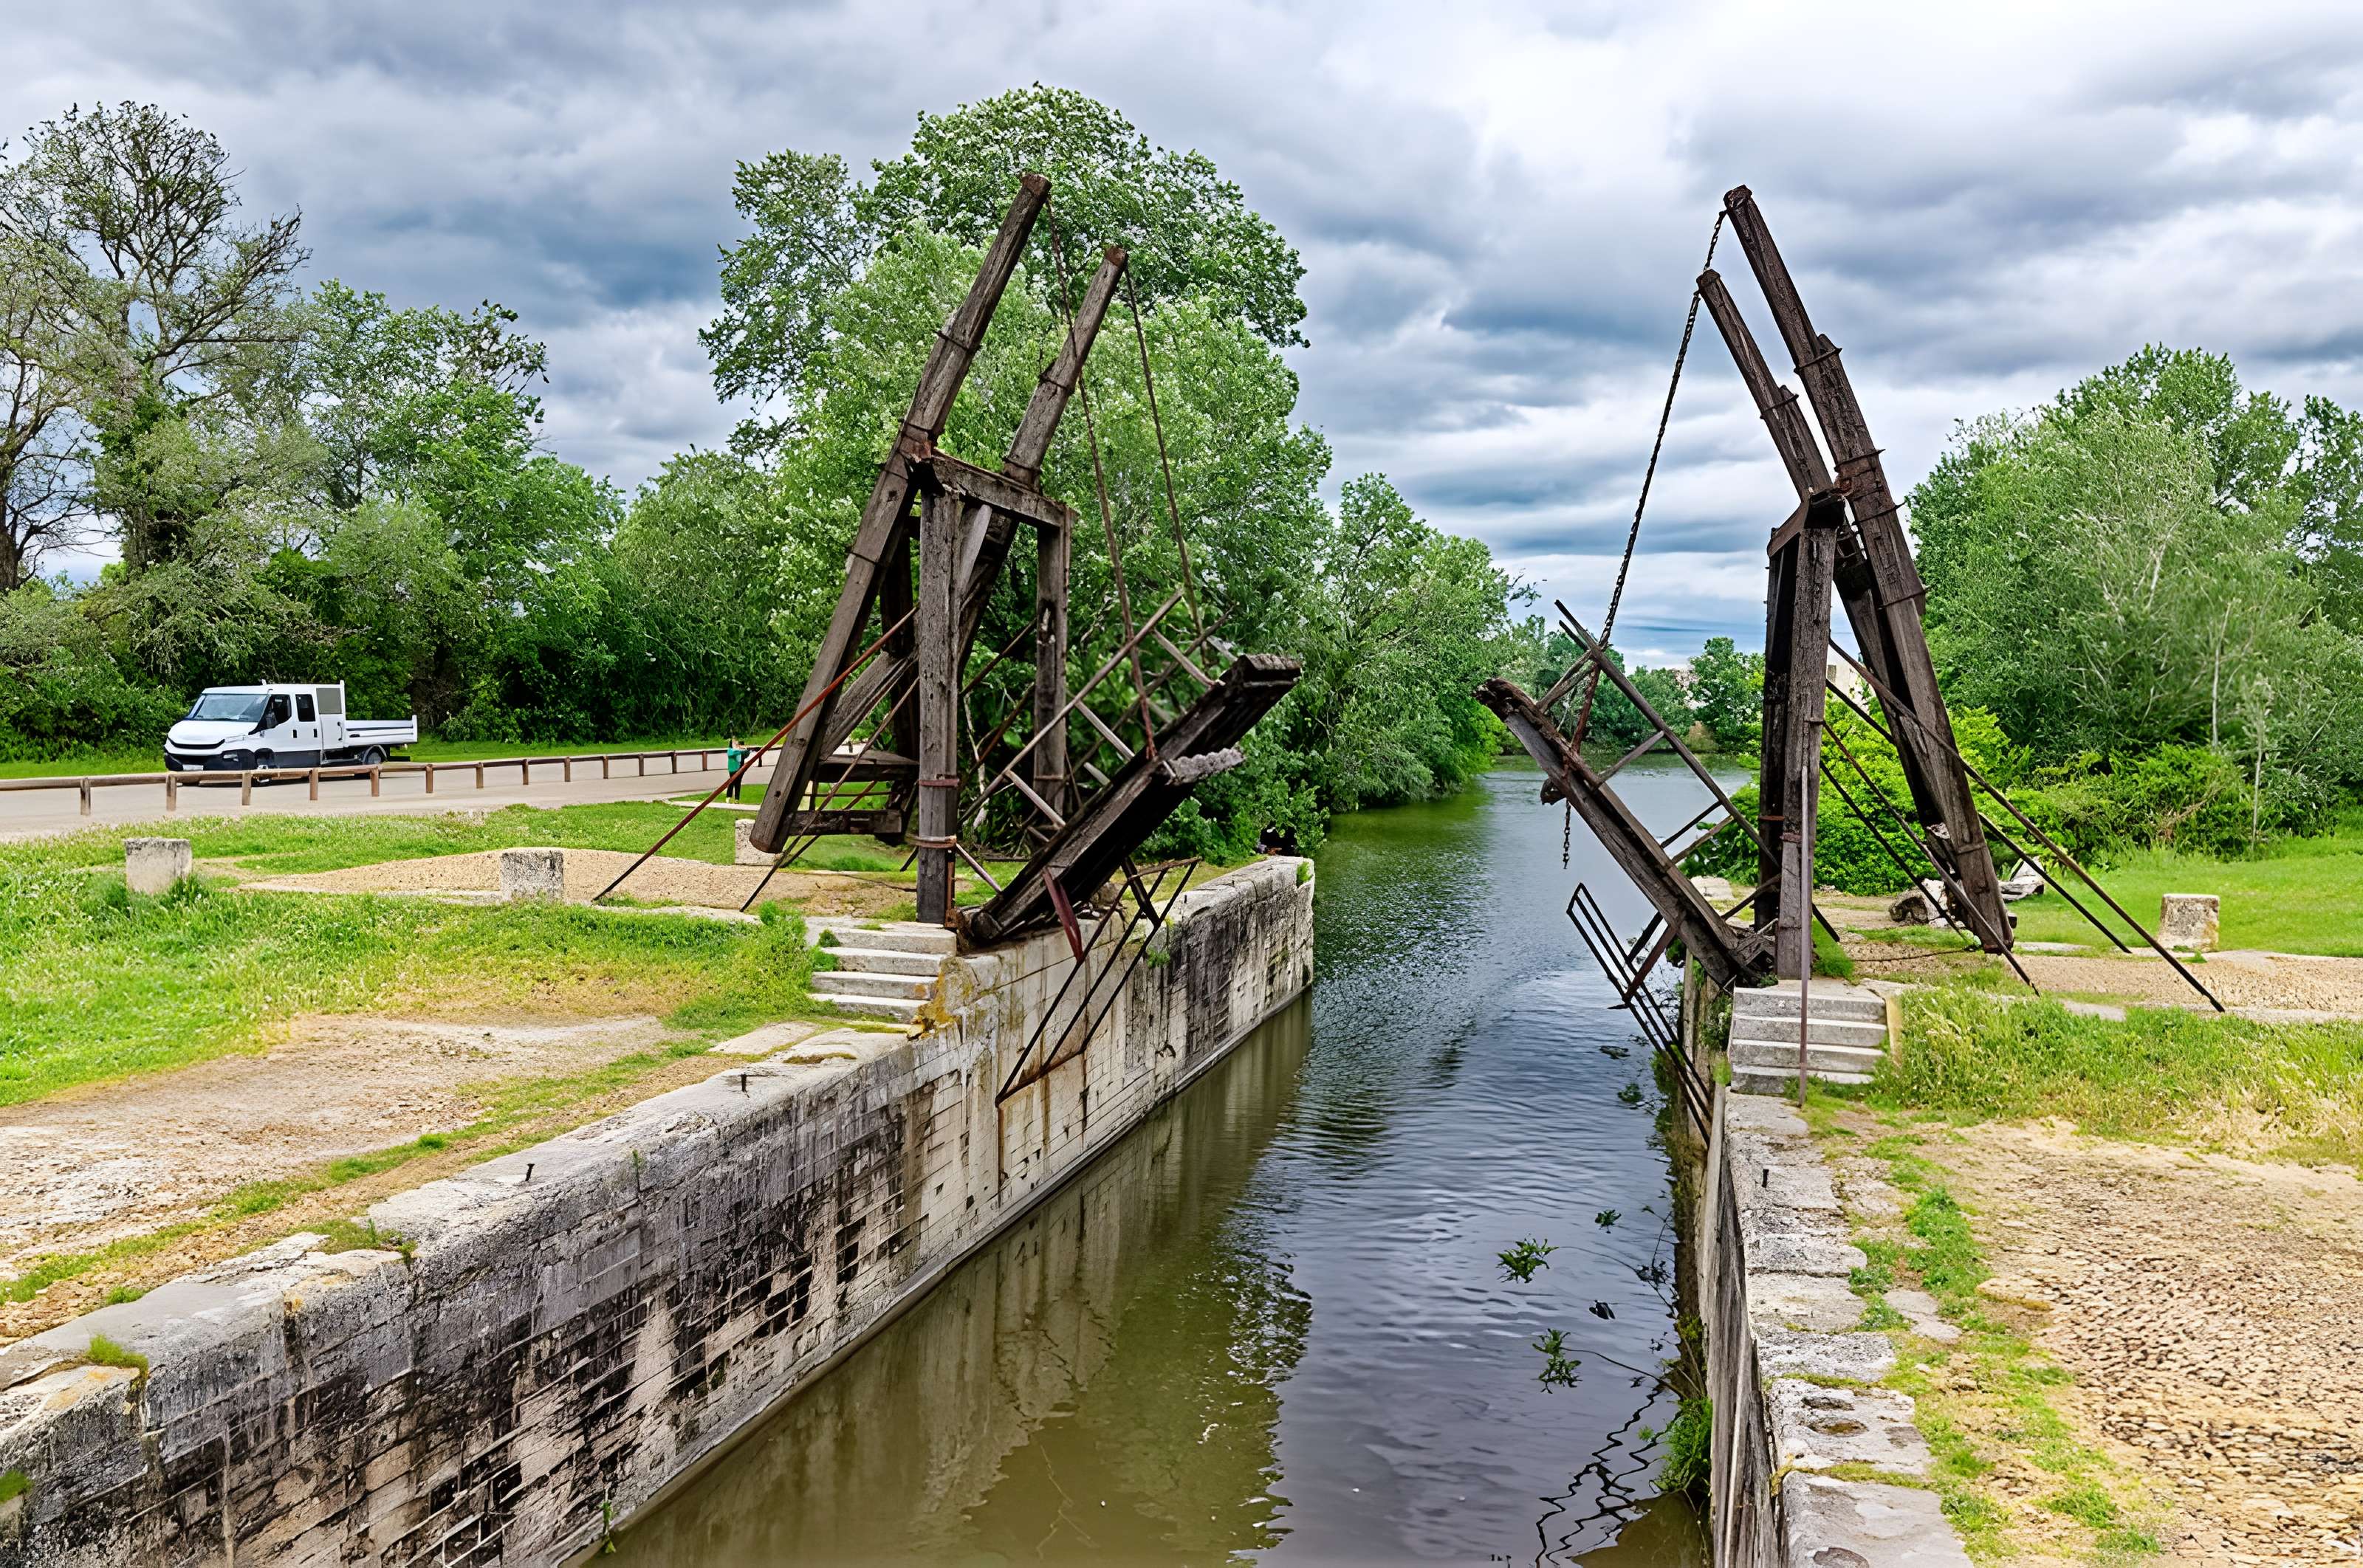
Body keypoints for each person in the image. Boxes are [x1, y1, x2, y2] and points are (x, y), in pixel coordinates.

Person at [725, 737, 747, 801]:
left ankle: (737, 799)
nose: (736, 743)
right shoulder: (730, 750)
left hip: (740, 768)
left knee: (738, 783)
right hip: (732, 769)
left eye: (736, 742)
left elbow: (746, 753)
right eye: (734, 743)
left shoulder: (739, 750)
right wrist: (741, 749)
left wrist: (744, 749)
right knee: (732, 782)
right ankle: (728, 796)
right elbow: (733, 753)